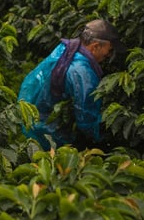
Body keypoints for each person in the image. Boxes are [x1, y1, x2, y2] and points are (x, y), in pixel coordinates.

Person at [18, 19, 126, 150]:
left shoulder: (67, 49)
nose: (109, 55)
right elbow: (86, 118)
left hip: (27, 112)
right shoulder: (82, 72)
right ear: (96, 46)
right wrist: (102, 141)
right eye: (109, 50)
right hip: (44, 129)